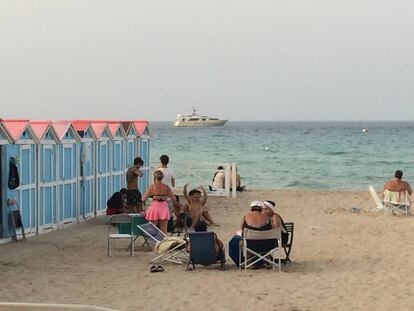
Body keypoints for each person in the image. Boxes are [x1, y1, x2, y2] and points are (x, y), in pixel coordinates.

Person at [228, 201, 272, 267]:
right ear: (261, 208)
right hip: (268, 245)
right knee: (260, 238)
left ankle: (248, 262)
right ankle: (267, 261)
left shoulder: (246, 216)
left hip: (250, 244)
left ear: (251, 208)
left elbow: (242, 228)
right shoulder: (267, 217)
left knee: (235, 240)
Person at [142, 170, 176, 235]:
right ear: (162, 178)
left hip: (154, 206)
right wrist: (166, 196)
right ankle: (164, 243)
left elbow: (143, 199)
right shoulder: (166, 187)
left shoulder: (152, 187)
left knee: (152, 228)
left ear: (154, 178)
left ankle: (153, 243)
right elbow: (174, 198)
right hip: (163, 206)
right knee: (164, 231)